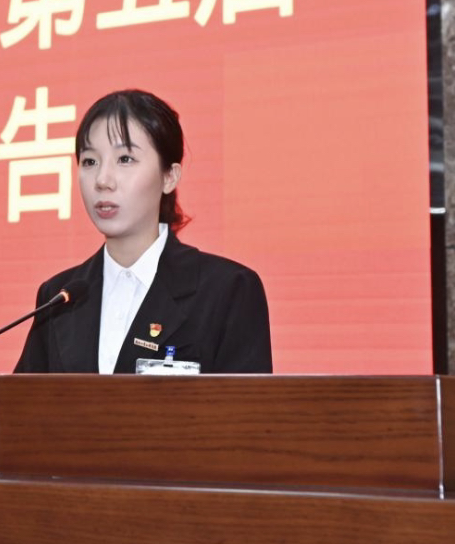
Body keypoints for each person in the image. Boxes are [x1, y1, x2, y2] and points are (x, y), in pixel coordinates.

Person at [14, 89, 272, 374]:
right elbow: (23, 400)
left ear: (169, 176)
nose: (102, 180)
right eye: (90, 161)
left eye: (125, 159)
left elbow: (246, 403)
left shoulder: (228, 291)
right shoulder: (59, 296)